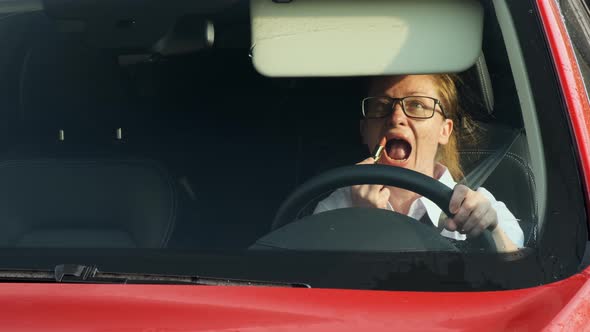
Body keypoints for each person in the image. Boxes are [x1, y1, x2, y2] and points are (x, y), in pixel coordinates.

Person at [313, 74, 524, 252]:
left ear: (444, 130)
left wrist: (491, 231)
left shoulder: (479, 207)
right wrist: (357, 224)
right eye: (381, 106)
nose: (396, 118)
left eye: (417, 105)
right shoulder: (335, 209)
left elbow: (522, 279)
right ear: (364, 130)